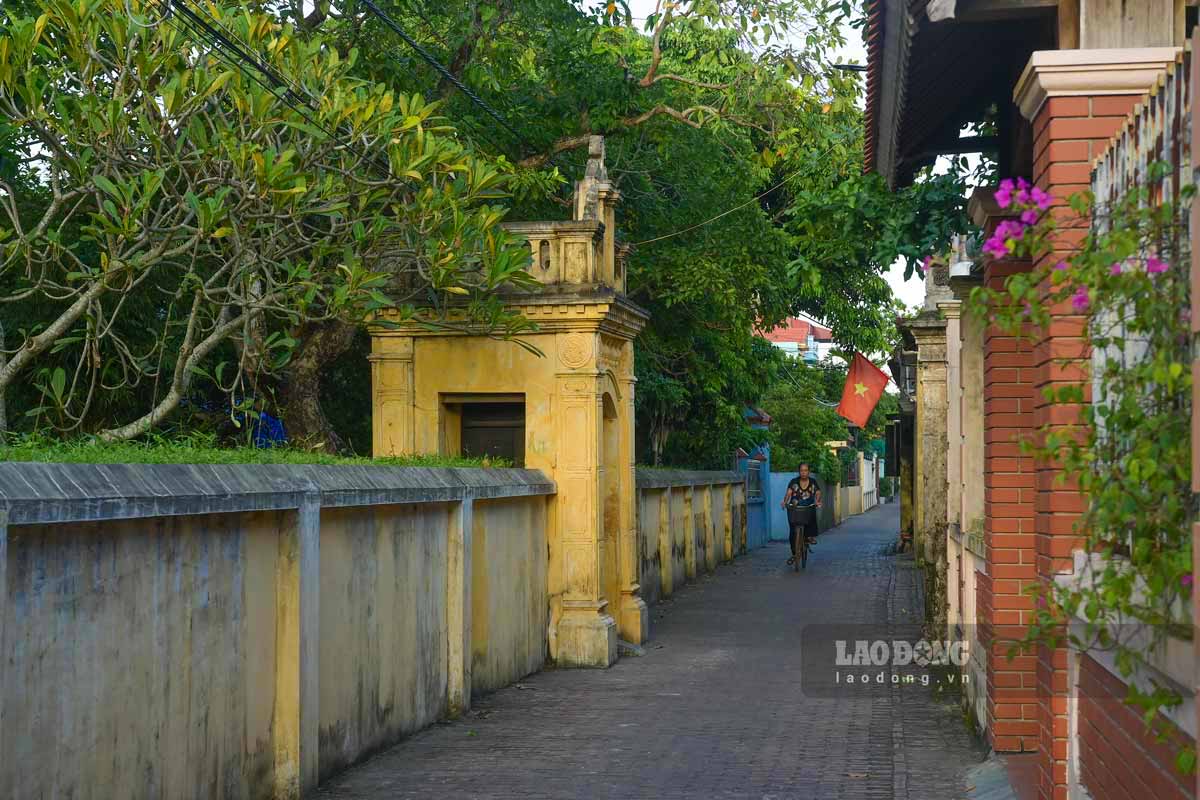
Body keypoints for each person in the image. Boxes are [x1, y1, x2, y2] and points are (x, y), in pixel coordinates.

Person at [781, 463, 822, 565]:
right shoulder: (794, 482)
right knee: (792, 533)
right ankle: (794, 553)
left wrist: (817, 501)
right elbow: (789, 493)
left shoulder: (813, 482)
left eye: (806, 470)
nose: (803, 472)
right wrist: (784, 501)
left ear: (809, 471)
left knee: (811, 507)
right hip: (795, 508)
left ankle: (809, 536)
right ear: (799, 472)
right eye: (802, 470)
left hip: (807, 508)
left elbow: (818, 492)